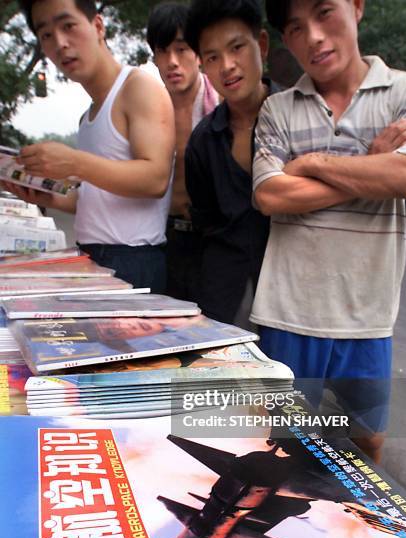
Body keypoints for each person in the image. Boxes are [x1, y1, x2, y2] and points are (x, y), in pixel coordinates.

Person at [251, 0, 406, 461]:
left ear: (357, 7)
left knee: (367, 442)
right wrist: (371, 163)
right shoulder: (277, 110)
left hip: (367, 315)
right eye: (296, 27)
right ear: (286, 39)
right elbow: (270, 196)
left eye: (325, 12)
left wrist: (310, 165)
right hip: (288, 312)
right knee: (281, 442)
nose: (315, 36)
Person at [7, 0, 175, 291]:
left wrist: (74, 163)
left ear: (98, 26)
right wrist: (45, 197)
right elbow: (96, 201)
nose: (59, 43)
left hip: (133, 261)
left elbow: (156, 178)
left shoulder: (139, 87)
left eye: (68, 26)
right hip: (91, 255)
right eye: (46, 35)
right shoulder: (88, 115)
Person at [183, 0, 276, 328]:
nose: (227, 66)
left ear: (261, 45)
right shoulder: (202, 142)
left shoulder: (302, 118)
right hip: (222, 299)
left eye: (237, 47)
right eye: (212, 57)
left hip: (292, 298)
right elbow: (204, 227)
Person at [146, 2, 219, 302]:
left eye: (181, 49)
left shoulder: (223, 105)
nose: (172, 61)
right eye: (163, 52)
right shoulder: (146, 109)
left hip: (213, 241)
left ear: (199, 52)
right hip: (163, 237)